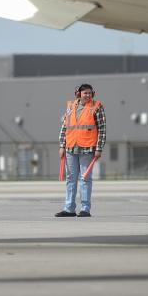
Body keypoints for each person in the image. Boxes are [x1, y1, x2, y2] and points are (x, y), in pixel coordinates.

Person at [55, 83, 106, 217]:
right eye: (85, 93)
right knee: (70, 179)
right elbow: (65, 127)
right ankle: (69, 208)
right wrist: (62, 145)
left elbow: (102, 129)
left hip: (88, 148)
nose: (88, 95)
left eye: (90, 93)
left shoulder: (97, 107)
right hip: (71, 147)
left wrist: (99, 148)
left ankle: (85, 209)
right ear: (79, 94)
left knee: (85, 179)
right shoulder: (71, 107)